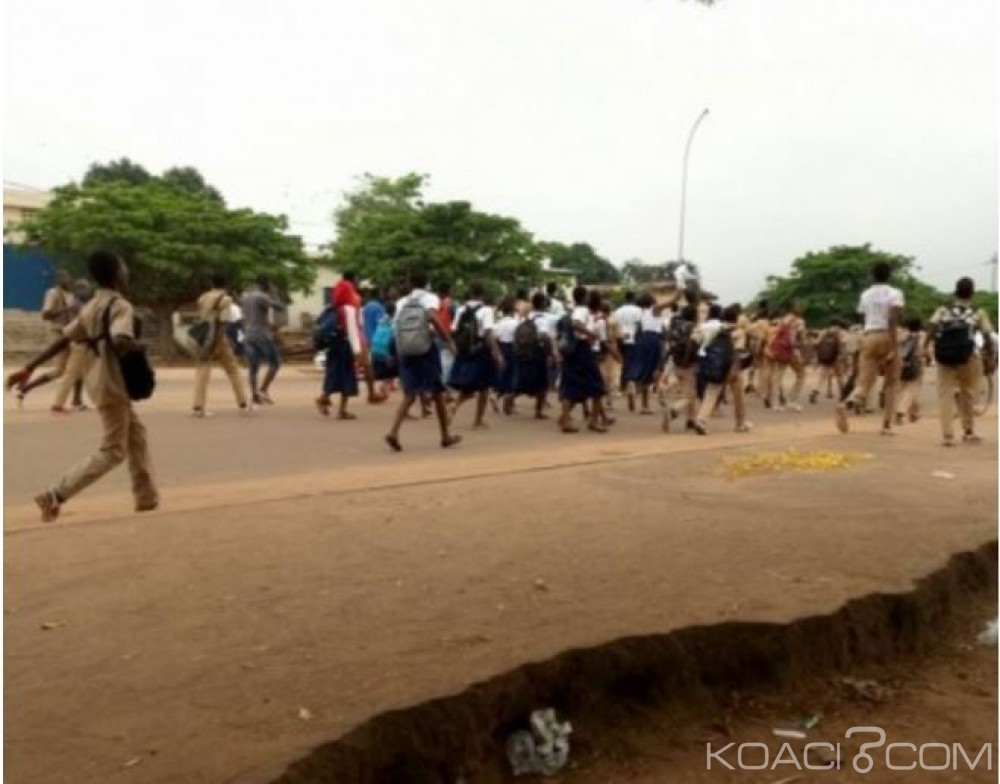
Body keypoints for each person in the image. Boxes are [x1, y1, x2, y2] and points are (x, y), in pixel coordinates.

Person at [6, 250, 158, 522]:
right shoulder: (121, 306)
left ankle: (146, 498)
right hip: (113, 383)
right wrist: (142, 345)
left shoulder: (91, 306)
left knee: (137, 435)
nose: (126, 271)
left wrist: (28, 367)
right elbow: (121, 340)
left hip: (97, 381)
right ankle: (55, 495)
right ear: (117, 274)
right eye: (123, 266)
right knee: (113, 451)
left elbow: (64, 339)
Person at [385, 271, 461, 451]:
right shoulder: (430, 298)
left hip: (405, 351)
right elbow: (433, 318)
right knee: (437, 392)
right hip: (425, 350)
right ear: (427, 283)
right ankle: (445, 436)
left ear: (410, 283)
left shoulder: (401, 302)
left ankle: (393, 432)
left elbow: (395, 328)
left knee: (410, 394)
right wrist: (448, 341)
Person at [835, 262, 904, 435]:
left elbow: (862, 316)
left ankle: (848, 401)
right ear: (889, 275)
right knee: (891, 383)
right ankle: (886, 425)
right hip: (887, 336)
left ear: (872, 275)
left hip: (869, 335)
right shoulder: (895, 293)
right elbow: (893, 320)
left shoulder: (865, 294)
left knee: (864, 381)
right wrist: (894, 347)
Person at [926, 277, 994, 446]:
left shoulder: (943, 310)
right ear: (972, 293)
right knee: (968, 393)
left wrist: (925, 345)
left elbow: (932, 327)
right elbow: (987, 335)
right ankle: (968, 430)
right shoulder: (978, 312)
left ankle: (947, 435)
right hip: (969, 356)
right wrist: (990, 356)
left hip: (945, 356)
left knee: (945, 393)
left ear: (955, 291)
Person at [14, 270, 77, 405]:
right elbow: (45, 315)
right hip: (58, 332)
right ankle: (25, 388)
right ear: (58, 280)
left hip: (71, 333)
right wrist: (66, 310)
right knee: (60, 370)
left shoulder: (71, 295)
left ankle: (77, 400)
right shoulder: (53, 293)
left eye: (68, 277)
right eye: (64, 278)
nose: (68, 280)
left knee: (78, 364)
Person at [192, 275, 250, 417]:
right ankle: (242, 402)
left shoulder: (203, 297)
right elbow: (223, 322)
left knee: (202, 372)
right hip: (218, 339)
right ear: (226, 285)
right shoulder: (225, 299)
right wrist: (220, 342)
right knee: (233, 370)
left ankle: (198, 406)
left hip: (203, 338)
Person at [448, 283, 504, 429]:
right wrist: (497, 353)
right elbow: (488, 334)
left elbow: (453, 331)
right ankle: (478, 420)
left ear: (470, 292)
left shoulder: (461, 309)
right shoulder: (486, 310)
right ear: (482, 294)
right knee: (484, 386)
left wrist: (455, 349)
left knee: (468, 384)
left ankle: (455, 404)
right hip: (481, 351)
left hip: (464, 350)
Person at [690, 304, 750, 435]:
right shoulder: (739, 332)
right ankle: (740, 423)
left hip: (714, 365)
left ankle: (701, 420)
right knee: (738, 395)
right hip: (731, 366)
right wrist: (735, 368)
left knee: (711, 392)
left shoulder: (715, 329)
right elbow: (738, 351)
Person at [557, 286, 608, 433]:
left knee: (571, 386)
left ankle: (566, 419)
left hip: (573, 351)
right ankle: (593, 421)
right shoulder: (582, 310)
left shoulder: (572, 311)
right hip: (582, 349)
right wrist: (591, 334)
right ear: (584, 297)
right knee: (597, 386)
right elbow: (576, 324)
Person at [331, 271, 386, 405]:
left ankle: (326, 398)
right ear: (354, 279)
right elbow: (356, 321)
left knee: (341, 368)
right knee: (365, 365)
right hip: (354, 336)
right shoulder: (353, 296)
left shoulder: (338, 292)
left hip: (342, 335)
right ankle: (371, 394)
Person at [512, 292, 559, 419]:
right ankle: (538, 411)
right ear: (544, 304)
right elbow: (544, 337)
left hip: (524, 351)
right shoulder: (543, 319)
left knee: (523, 378)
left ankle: (510, 397)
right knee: (542, 383)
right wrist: (551, 353)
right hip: (537, 353)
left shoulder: (527, 317)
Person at [51, 278, 94, 413]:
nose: (86, 291)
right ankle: (58, 404)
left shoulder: (77, 303)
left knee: (83, 374)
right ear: (78, 290)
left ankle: (77, 401)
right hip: (80, 342)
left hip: (80, 342)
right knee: (71, 374)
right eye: (83, 289)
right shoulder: (78, 305)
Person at [241, 276, 285, 405]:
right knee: (275, 362)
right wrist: (274, 293)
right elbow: (279, 306)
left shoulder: (246, 297)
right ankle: (263, 389)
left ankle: (255, 395)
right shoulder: (261, 297)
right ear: (267, 285)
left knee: (254, 367)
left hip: (248, 334)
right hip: (261, 335)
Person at [623, 292, 668, 415]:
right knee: (651, 372)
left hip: (641, 340)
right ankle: (645, 405)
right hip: (653, 340)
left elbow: (637, 331)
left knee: (640, 368)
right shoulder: (654, 310)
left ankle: (632, 384)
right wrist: (681, 287)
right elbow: (672, 301)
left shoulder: (641, 313)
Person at [764, 303, 806, 412]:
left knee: (778, 376)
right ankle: (791, 400)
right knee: (801, 374)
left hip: (780, 351)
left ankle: (775, 404)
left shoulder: (782, 320)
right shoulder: (799, 321)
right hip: (791, 351)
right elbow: (799, 337)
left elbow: (776, 334)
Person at [894, 316, 925, 426]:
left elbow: (895, 344)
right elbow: (923, 351)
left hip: (900, 363)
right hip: (915, 364)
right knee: (912, 389)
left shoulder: (901, 335)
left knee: (903, 388)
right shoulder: (920, 336)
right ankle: (901, 411)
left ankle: (915, 413)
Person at [492, 296, 520, 414]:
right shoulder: (516, 323)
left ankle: (496, 395)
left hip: (501, 348)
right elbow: (516, 339)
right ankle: (508, 404)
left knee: (502, 374)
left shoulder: (499, 323)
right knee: (512, 376)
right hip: (512, 349)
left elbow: (495, 338)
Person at [808, 319, 846, 404]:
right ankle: (843, 394)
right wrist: (842, 355)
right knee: (839, 376)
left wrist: (818, 355)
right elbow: (843, 344)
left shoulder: (824, 332)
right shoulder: (840, 332)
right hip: (836, 357)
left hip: (825, 357)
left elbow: (816, 343)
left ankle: (815, 392)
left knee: (822, 377)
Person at [614, 291, 642, 399]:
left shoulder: (618, 311)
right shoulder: (637, 310)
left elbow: (615, 325)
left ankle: (623, 385)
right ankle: (631, 383)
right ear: (634, 298)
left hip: (620, 338)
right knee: (633, 362)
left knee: (624, 362)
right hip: (633, 339)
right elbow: (639, 325)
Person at [435, 281, 457, 390]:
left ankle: (440, 385)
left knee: (440, 361)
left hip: (436, 335)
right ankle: (443, 385)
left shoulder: (436, 303)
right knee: (448, 361)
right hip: (448, 335)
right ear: (449, 291)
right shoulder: (452, 304)